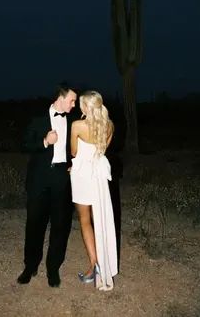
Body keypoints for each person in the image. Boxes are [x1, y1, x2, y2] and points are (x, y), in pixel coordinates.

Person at [17, 83, 77, 288]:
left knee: (60, 226)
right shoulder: (38, 117)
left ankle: (53, 269)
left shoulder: (74, 121)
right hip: (39, 178)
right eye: (72, 100)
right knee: (34, 224)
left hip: (61, 177)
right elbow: (24, 144)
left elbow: (80, 148)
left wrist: (73, 165)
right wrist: (44, 141)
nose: (74, 104)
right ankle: (30, 266)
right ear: (60, 98)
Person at [70, 90, 118, 291]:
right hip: (98, 176)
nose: (79, 108)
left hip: (82, 175)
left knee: (85, 220)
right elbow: (101, 151)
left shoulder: (77, 125)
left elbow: (74, 152)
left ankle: (93, 266)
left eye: (81, 104)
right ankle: (102, 264)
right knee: (101, 218)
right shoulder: (109, 126)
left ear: (86, 107)